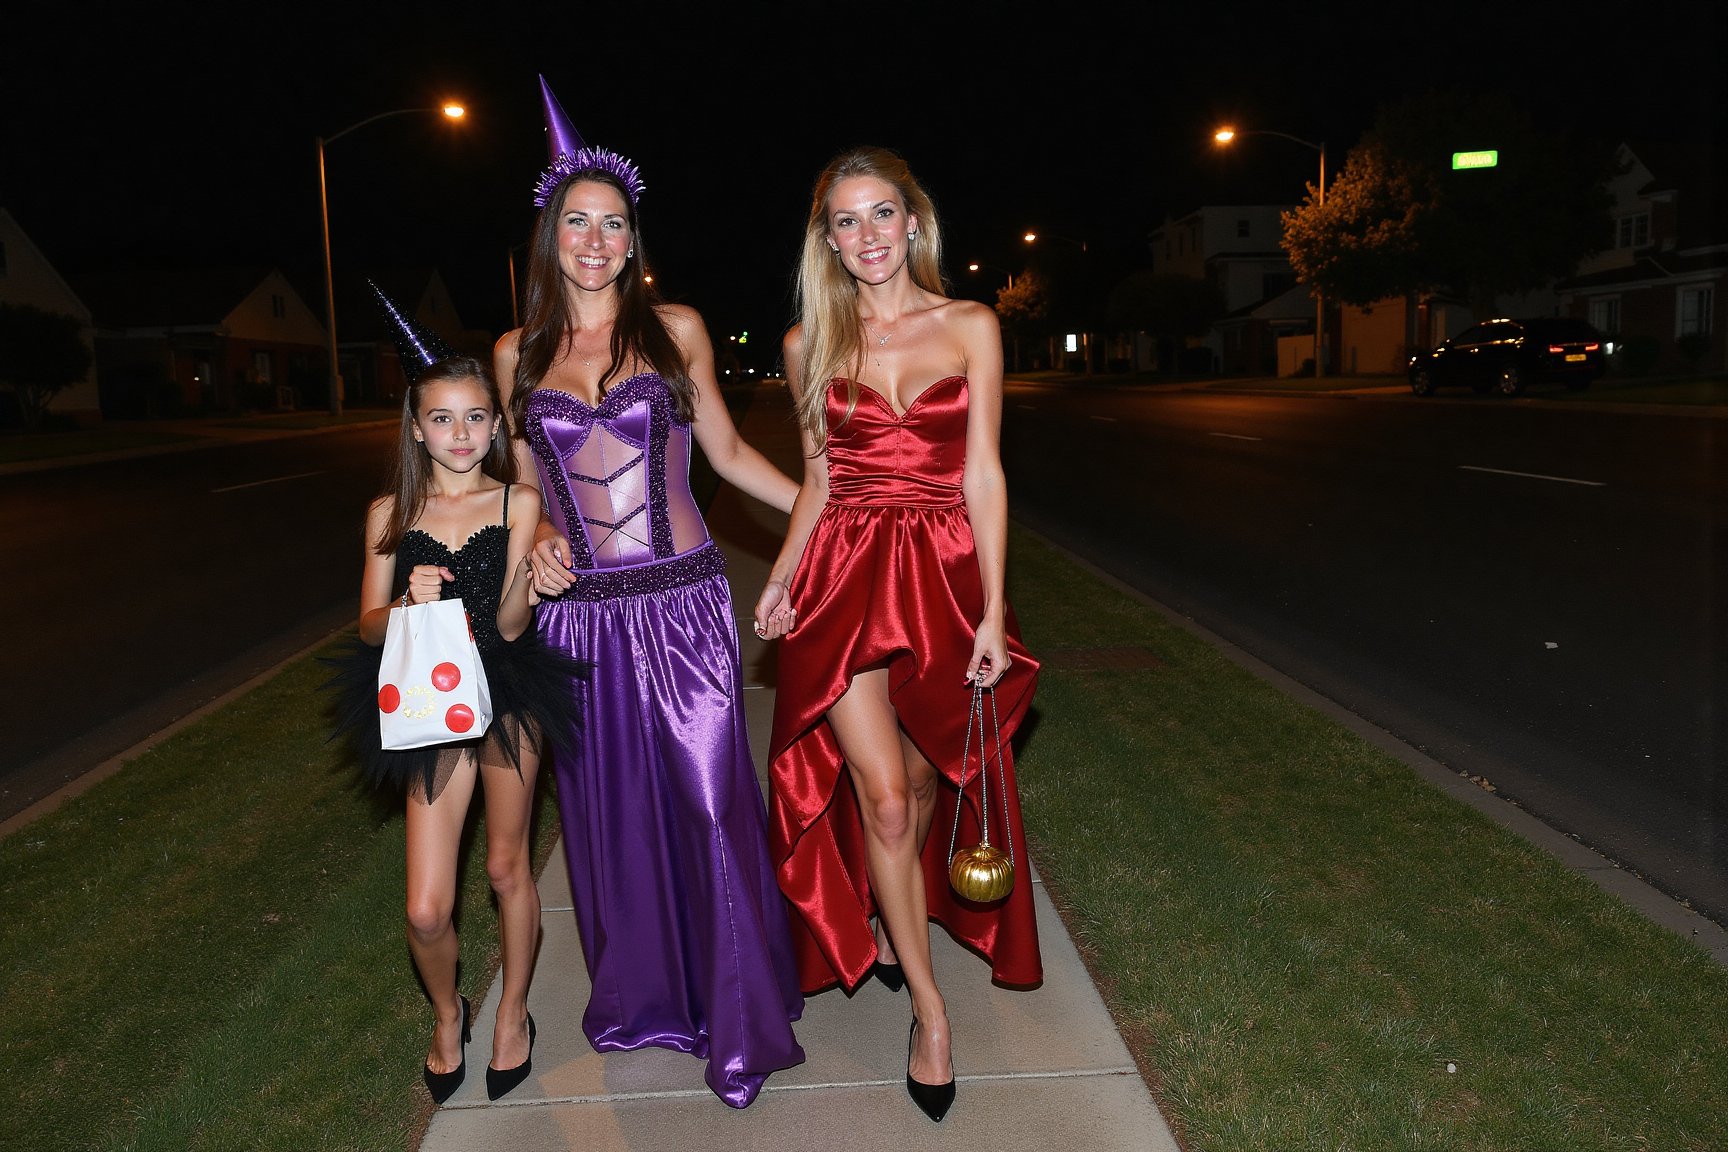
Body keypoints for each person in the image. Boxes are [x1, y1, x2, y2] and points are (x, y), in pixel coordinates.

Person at [493, 75, 805, 1108]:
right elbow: (525, 487)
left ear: (632, 239)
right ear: (551, 238)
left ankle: (738, 1019)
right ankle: (648, 1002)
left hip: (681, 603)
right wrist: (535, 541)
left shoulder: (676, 329)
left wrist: (821, 501)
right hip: (578, 623)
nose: (593, 240)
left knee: (712, 803)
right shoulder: (516, 354)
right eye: (574, 223)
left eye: (611, 224)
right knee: (611, 820)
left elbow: (721, 449)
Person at [752, 145, 1043, 1123]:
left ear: (913, 222)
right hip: (841, 579)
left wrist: (995, 609)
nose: (867, 235)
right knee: (882, 797)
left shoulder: (970, 326)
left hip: (943, 577)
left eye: (882, 215)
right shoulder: (808, 344)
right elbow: (820, 482)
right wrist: (784, 579)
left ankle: (891, 910)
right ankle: (930, 1013)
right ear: (825, 238)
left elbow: (986, 476)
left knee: (922, 783)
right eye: (846, 220)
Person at [323, 327, 588, 1106]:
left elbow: (508, 629)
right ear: (415, 427)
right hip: (430, 695)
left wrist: (528, 588)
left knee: (508, 866)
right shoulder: (389, 512)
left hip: (505, 689)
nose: (461, 434)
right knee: (427, 908)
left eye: (477, 417)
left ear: (493, 426)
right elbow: (368, 622)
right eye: (443, 419)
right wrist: (408, 602)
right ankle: (449, 1012)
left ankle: (513, 1011)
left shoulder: (517, 500)